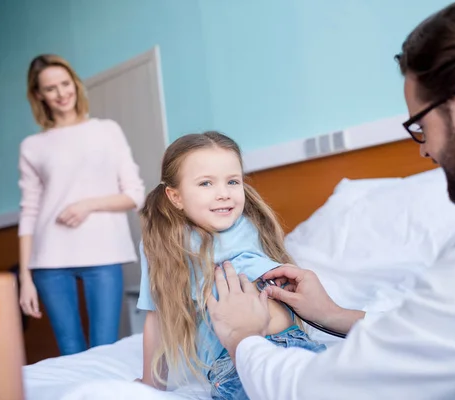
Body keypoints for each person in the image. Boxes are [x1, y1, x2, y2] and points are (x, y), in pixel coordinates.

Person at [205, 0, 455, 399]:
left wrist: (242, 338)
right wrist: (333, 314)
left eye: (421, 126)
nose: (425, 150)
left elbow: (326, 390)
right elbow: (448, 336)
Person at [134, 132, 326, 399]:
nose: (224, 194)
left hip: (295, 344)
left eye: (233, 181)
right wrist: (151, 384)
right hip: (234, 365)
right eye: (206, 184)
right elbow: (156, 318)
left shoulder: (249, 224)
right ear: (175, 197)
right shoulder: (164, 244)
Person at [18, 54, 145, 356]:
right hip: (49, 259)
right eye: (51, 88)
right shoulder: (32, 146)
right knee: (70, 352)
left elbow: (135, 194)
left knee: (104, 349)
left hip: (103, 252)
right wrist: (24, 278)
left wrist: (87, 205)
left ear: (75, 84)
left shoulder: (107, 130)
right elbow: (29, 213)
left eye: (65, 84)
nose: (62, 93)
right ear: (39, 95)